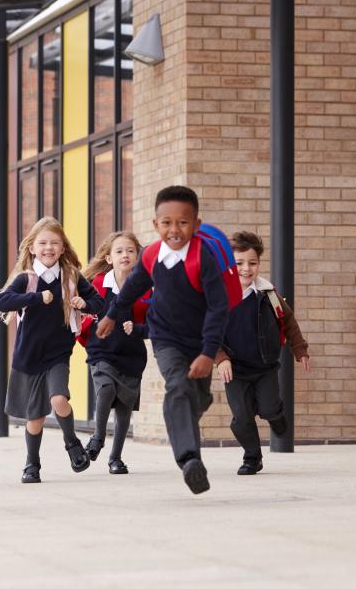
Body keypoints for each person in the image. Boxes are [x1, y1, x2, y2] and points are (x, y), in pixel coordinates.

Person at [97, 186, 229, 494]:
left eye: (182, 222)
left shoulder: (204, 258)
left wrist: (209, 352)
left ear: (196, 224)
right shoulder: (152, 255)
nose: (174, 229)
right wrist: (112, 314)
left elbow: (218, 308)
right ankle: (189, 460)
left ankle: (192, 409)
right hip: (165, 336)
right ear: (156, 225)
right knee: (178, 386)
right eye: (166, 222)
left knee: (197, 396)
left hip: (200, 340)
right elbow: (132, 287)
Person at [0, 216, 105, 484]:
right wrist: (35, 298)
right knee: (36, 418)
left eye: (55, 243)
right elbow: (3, 301)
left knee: (58, 399)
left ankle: (72, 444)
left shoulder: (71, 277)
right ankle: (32, 464)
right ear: (32, 247)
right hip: (28, 356)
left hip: (58, 353)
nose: (48, 248)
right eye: (43, 243)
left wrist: (84, 303)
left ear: (63, 248)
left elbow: (99, 302)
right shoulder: (27, 279)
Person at [215, 231, 310, 475]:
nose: (246, 269)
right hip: (234, 370)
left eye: (252, 263)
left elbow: (288, 320)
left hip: (265, 367)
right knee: (241, 419)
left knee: (268, 407)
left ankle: (276, 415)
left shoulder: (268, 294)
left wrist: (299, 349)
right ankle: (252, 458)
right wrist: (221, 358)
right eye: (239, 263)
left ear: (259, 264)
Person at [81, 231, 150, 474]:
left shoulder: (145, 287)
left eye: (130, 251)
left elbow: (156, 319)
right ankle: (97, 438)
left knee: (124, 409)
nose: (125, 255)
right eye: (119, 251)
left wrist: (141, 329)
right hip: (102, 350)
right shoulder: (98, 283)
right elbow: (84, 311)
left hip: (132, 353)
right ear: (109, 258)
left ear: (138, 256)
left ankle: (115, 458)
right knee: (107, 388)